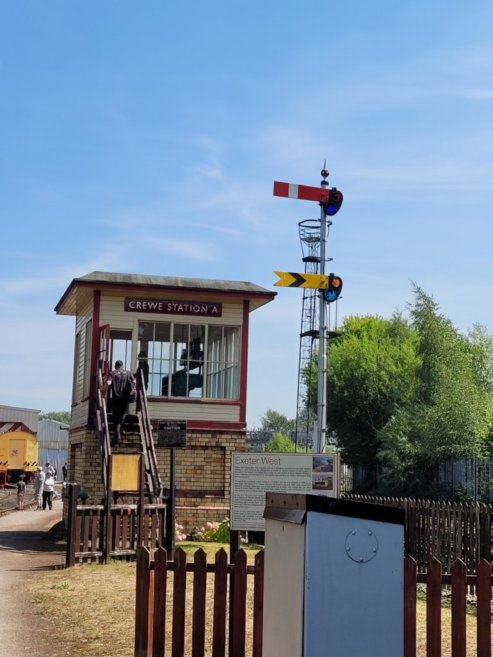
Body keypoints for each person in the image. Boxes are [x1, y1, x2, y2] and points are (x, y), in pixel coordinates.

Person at [106, 360, 135, 446]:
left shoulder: (113, 373)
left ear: (115, 366)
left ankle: (117, 435)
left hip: (116, 399)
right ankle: (120, 431)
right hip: (125, 399)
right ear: (122, 366)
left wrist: (103, 387)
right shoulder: (128, 373)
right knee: (123, 415)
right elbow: (134, 382)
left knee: (116, 418)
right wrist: (133, 390)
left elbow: (109, 383)